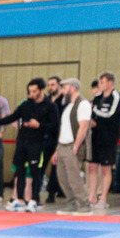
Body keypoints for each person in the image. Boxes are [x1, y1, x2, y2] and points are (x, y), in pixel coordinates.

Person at [0, 77, 58, 213]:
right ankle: (20, 200)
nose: (31, 94)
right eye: (29, 91)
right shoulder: (26, 104)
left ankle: (33, 200)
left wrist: (39, 125)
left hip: (37, 143)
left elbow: (55, 126)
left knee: (35, 172)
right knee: (20, 171)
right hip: (22, 142)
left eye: (34, 91)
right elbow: (13, 116)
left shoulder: (50, 106)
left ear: (41, 90)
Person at [53, 78, 93, 215]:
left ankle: (84, 204)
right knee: (63, 177)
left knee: (74, 177)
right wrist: (56, 150)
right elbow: (64, 130)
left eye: (64, 88)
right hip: (62, 146)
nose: (62, 91)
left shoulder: (83, 104)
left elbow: (83, 127)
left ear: (73, 88)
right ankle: (71, 203)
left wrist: (76, 146)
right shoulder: (69, 106)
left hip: (72, 146)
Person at [87, 71, 120, 210]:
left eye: (102, 82)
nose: (100, 85)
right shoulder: (97, 97)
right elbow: (91, 112)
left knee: (106, 168)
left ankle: (103, 198)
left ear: (110, 83)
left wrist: (95, 111)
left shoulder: (116, 97)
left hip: (108, 137)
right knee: (92, 167)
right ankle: (92, 197)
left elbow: (110, 115)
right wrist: (92, 119)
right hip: (96, 136)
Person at [43, 76, 67, 204]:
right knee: (42, 165)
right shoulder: (45, 101)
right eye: (49, 85)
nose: (50, 87)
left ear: (59, 86)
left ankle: (52, 192)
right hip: (45, 136)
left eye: (53, 84)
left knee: (56, 166)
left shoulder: (64, 101)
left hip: (59, 137)